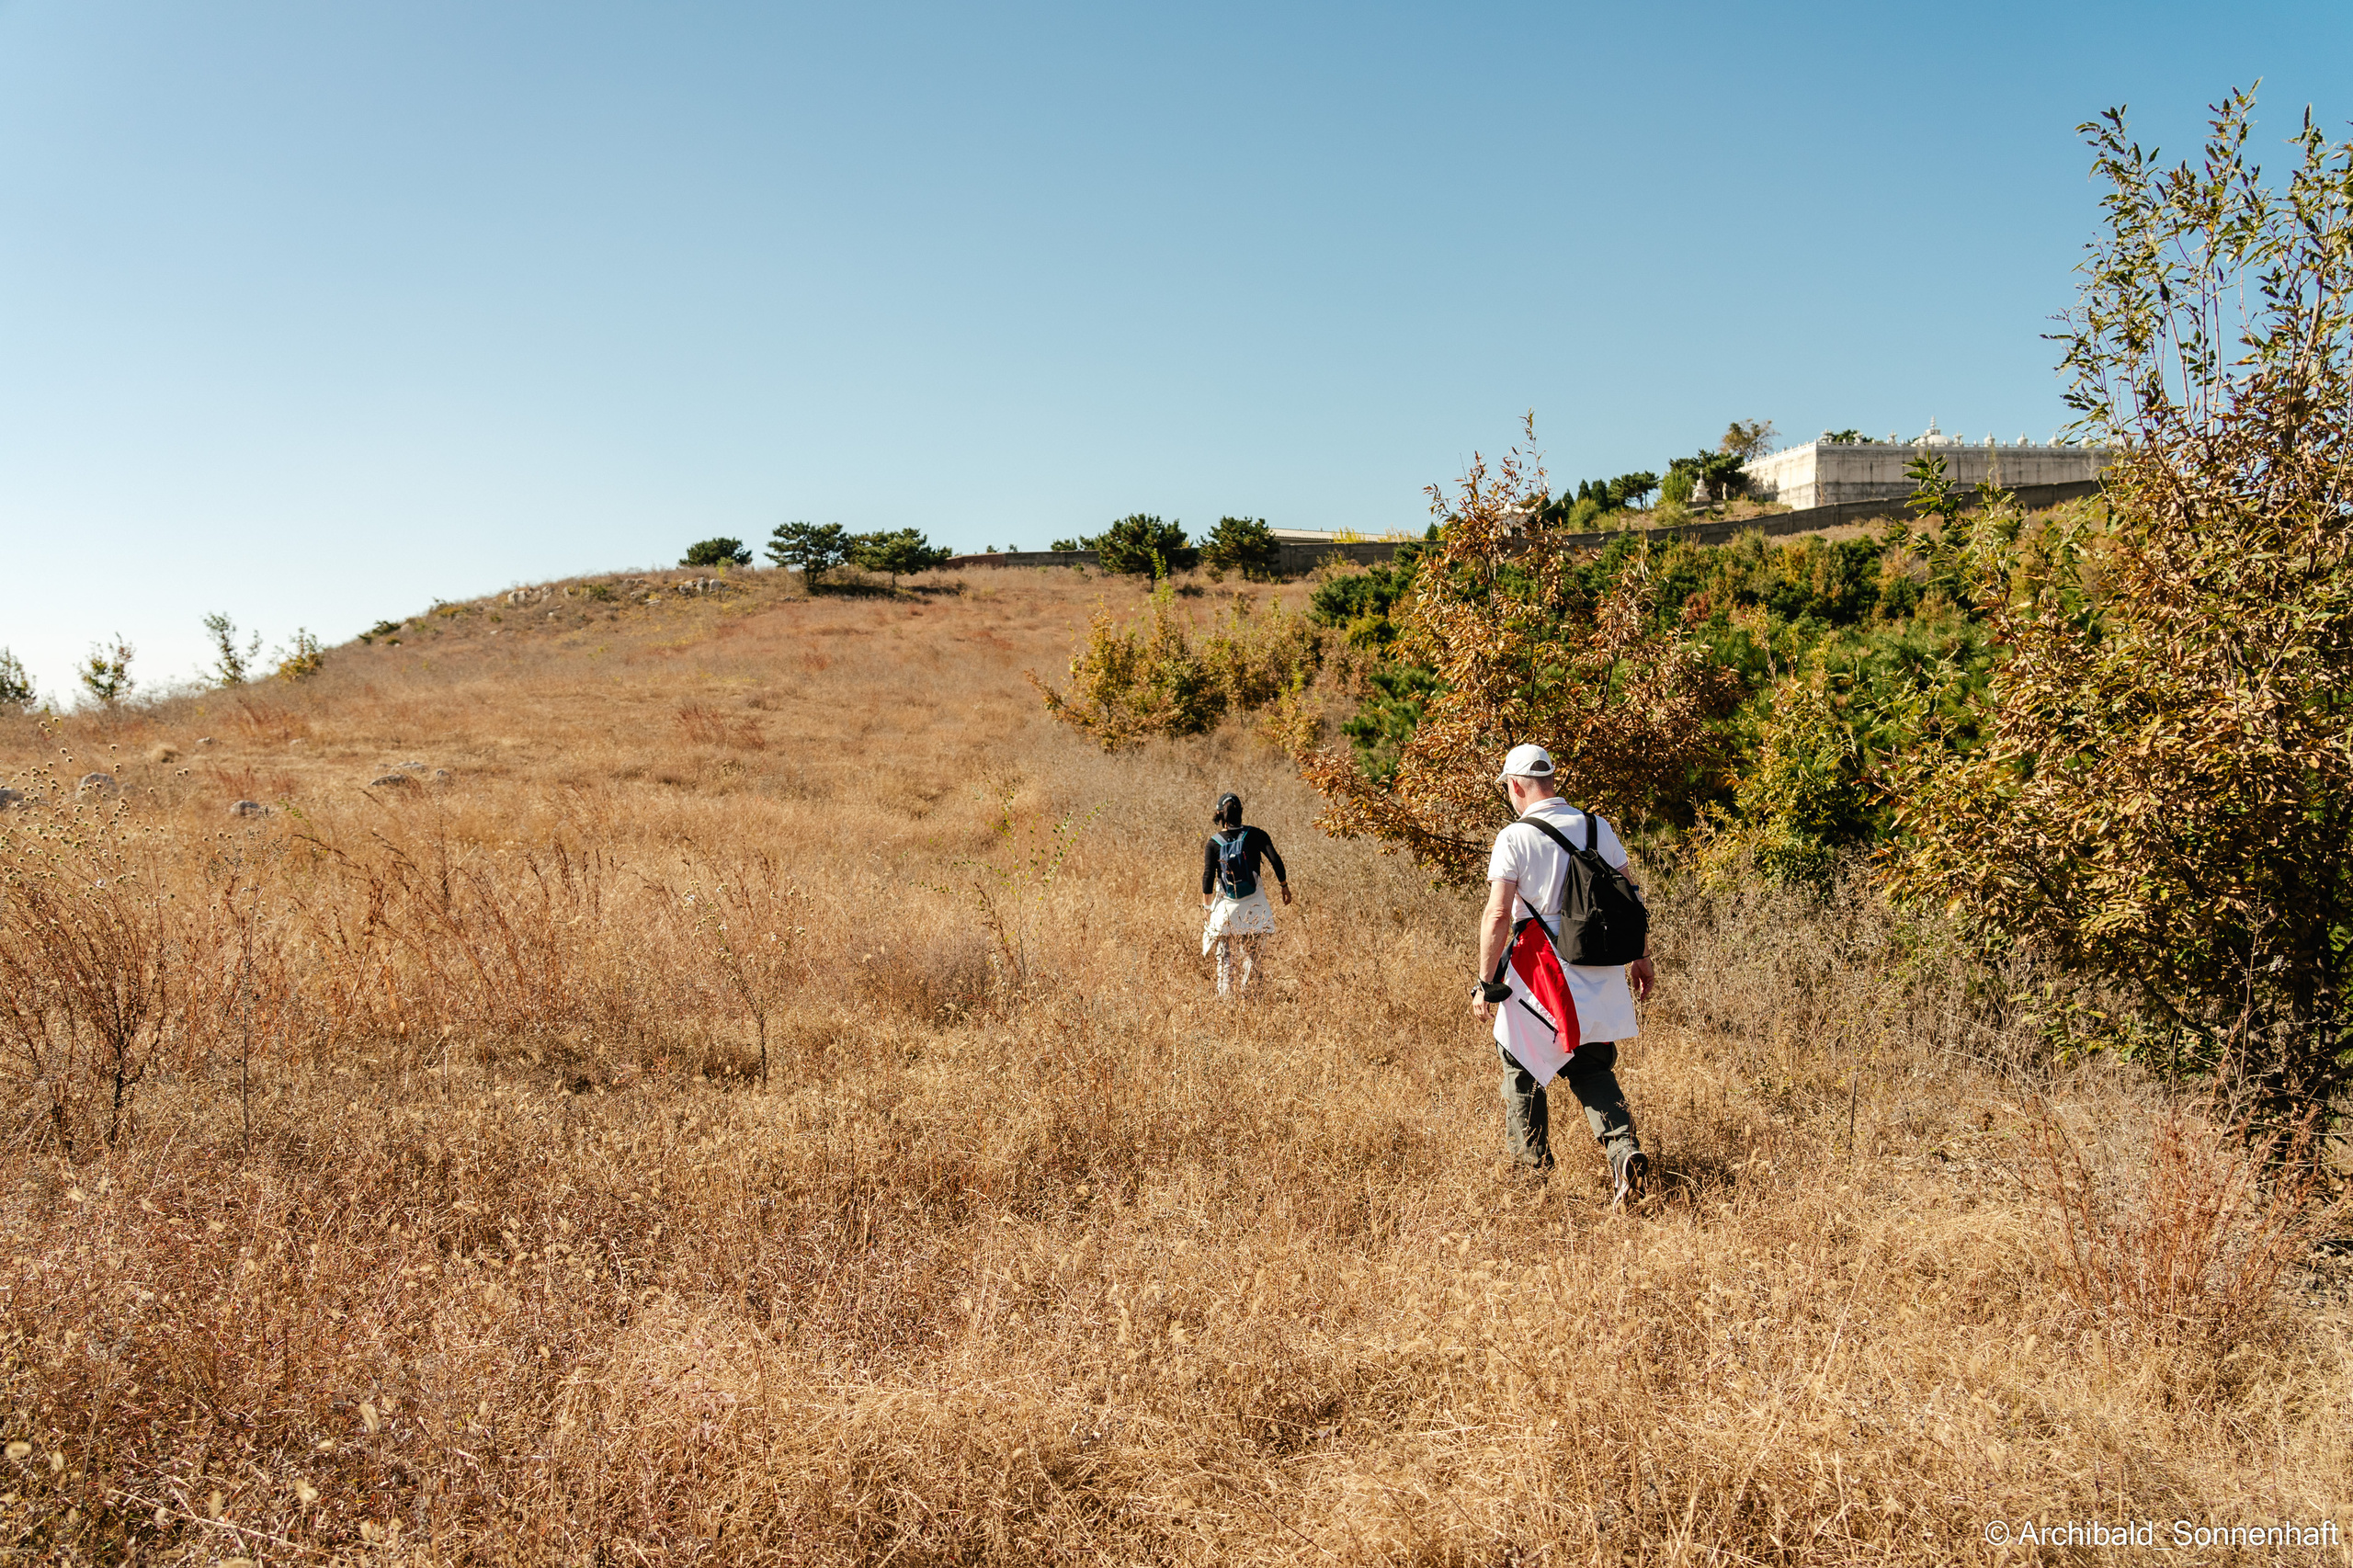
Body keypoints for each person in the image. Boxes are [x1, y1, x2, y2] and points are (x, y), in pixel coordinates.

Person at [1469, 744, 1656, 1201]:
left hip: (1541, 971)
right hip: (1600, 962)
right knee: (1592, 1067)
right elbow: (1630, 895)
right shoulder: (1597, 826)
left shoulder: (1514, 837)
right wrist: (1641, 957)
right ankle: (1624, 1152)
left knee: (1521, 1066)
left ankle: (1533, 1178)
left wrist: (1486, 980)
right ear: (1551, 779)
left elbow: (1497, 915)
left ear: (1515, 785)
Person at [1199, 792, 1290, 1000]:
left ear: (1220, 815)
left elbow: (1207, 877)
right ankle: (1253, 999)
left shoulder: (1213, 843)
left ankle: (1226, 1002)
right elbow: (1276, 860)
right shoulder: (1256, 834)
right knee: (1253, 956)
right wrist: (1284, 886)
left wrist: (1207, 910)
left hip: (1226, 910)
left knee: (1226, 959)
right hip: (1254, 907)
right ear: (1240, 812)